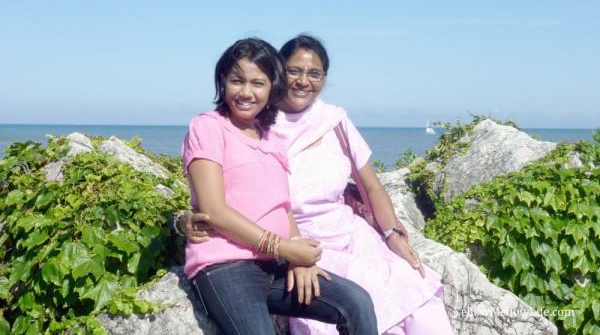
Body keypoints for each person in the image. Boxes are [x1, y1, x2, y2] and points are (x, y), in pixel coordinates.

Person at [181, 34, 454, 335]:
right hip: (235, 262)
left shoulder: (275, 134)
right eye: (237, 81)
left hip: (291, 255)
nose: (303, 81)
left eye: (257, 83)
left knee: (370, 301)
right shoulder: (215, 126)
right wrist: (183, 221)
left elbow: (283, 204)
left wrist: (390, 234)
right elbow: (216, 206)